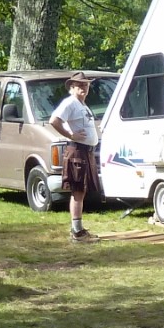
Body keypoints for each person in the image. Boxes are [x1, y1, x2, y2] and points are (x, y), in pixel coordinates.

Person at [48, 71, 99, 243]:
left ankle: (78, 229)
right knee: (78, 191)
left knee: (81, 191)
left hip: (86, 151)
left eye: (86, 85)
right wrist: (70, 136)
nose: (84, 88)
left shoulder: (82, 105)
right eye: (80, 85)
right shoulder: (70, 103)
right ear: (72, 87)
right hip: (77, 151)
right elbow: (54, 120)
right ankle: (77, 232)